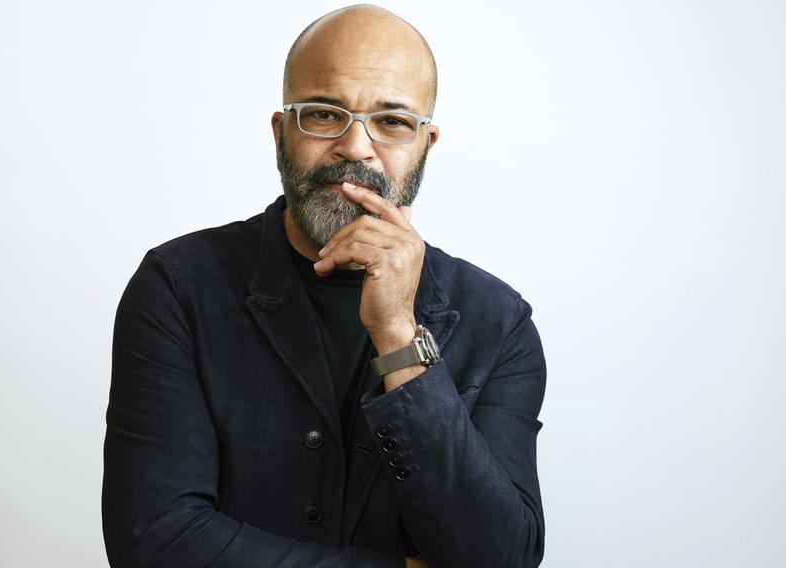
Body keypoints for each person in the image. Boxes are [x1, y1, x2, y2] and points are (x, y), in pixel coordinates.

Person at [102, 4, 547, 567]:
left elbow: (501, 558)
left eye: (391, 122)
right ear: (281, 131)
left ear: (425, 144)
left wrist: (398, 338)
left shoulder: (500, 324)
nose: (356, 148)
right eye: (323, 114)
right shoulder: (178, 288)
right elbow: (155, 544)